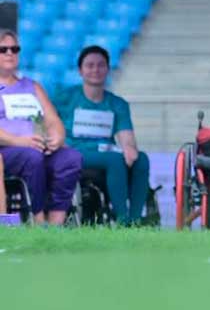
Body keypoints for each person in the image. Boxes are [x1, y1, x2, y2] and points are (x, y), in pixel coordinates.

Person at [53, 45, 150, 225]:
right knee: (114, 160)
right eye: (90, 65)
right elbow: (46, 122)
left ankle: (136, 220)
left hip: (105, 151)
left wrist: (129, 149)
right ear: (80, 70)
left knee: (141, 159)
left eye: (101, 65)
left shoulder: (117, 104)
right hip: (73, 152)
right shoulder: (65, 98)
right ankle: (123, 221)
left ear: (108, 69)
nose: (95, 70)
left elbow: (126, 135)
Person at [0, 29, 82, 225]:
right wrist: (21, 141)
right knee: (32, 156)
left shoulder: (32, 86)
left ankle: (56, 221)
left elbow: (52, 120)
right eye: (3, 49)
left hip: (37, 146)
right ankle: (38, 218)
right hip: (8, 149)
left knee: (71, 158)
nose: (10, 53)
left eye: (14, 48)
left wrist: (56, 138)